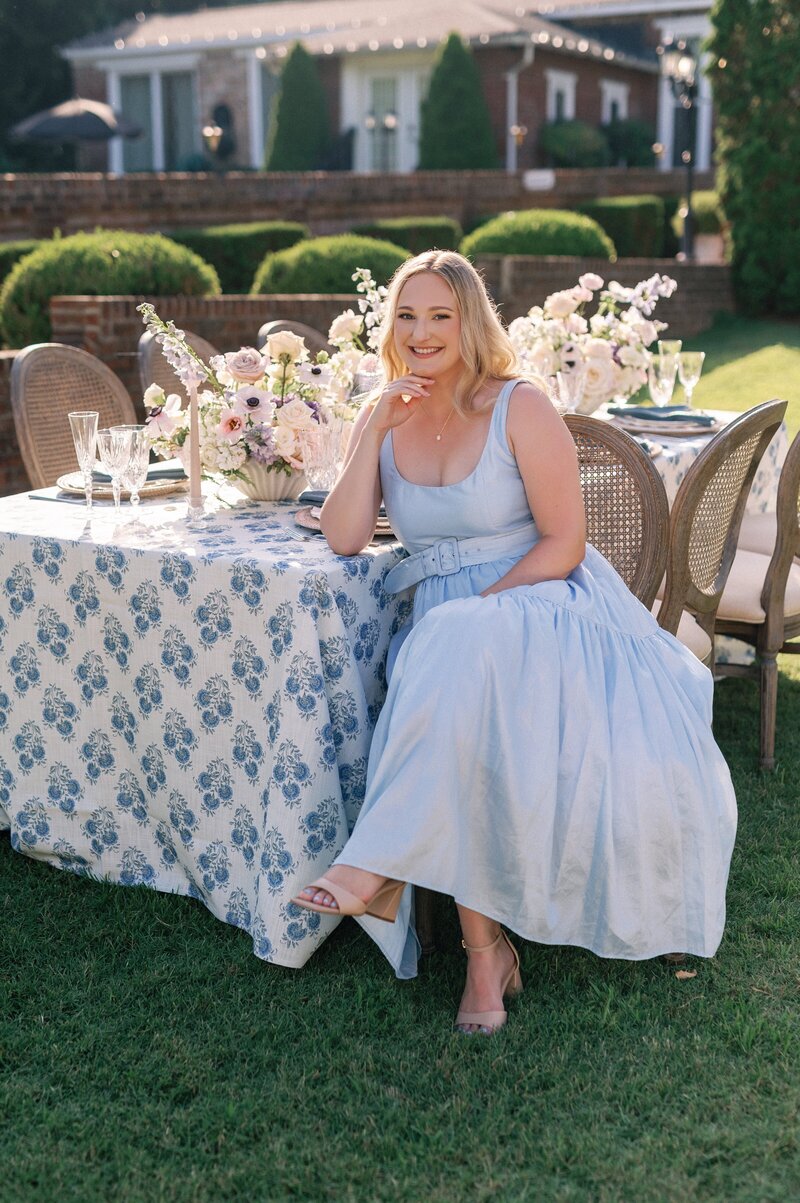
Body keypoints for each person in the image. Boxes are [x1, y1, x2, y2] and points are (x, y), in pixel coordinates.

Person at [293, 250, 737, 1036]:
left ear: (471, 321)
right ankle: (482, 951)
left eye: (440, 315)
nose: (422, 331)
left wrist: (483, 612)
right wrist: (371, 433)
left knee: (456, 653)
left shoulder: (518, 405)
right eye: (407, 315)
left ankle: (381, 868)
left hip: (540, 602)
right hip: (446, 631)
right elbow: (345, 535)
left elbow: (565, 541)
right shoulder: (383, 413)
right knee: (459, 689)